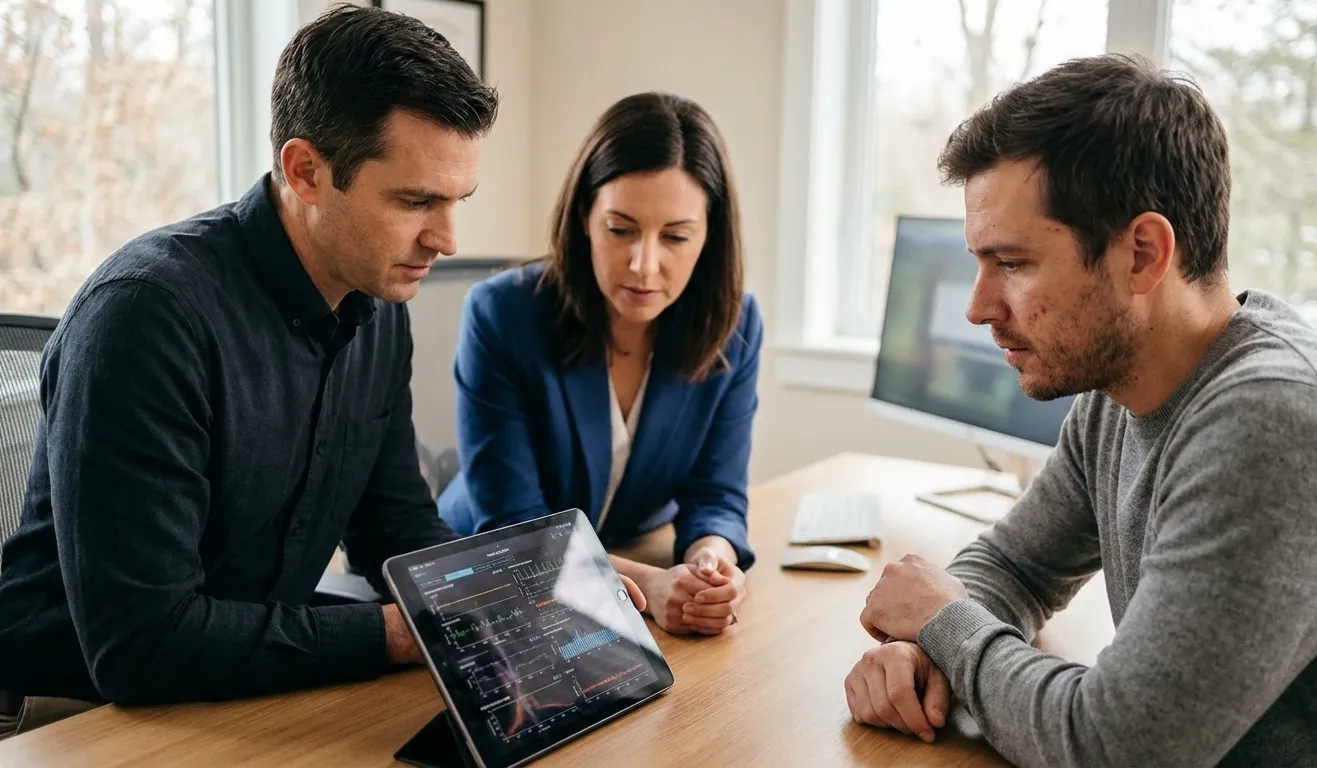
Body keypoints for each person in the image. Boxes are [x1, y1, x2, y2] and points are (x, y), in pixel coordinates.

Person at [0, 5, 612, 736]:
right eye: (416, 201)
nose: (447, 239)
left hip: (235, 685)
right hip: (71, 716)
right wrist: (402, 631)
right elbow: (142, 645)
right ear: (305, 171)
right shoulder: (145, 317)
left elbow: (395, 525)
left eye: (456, 202)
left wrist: (520, 588)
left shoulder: (379, 309)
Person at [846, 53, 1317, 767]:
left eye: (1013, 263)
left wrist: (943, 624)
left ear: (1143, 254)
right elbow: (1015, 565)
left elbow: (1116, 747)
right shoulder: (1120, 394)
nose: (977, 308)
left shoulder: (1279, 423)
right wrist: (923, 647)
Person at [436, 92, 761, 637]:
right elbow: (517, 527)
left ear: (710, 236)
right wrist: (645, 584)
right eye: (620, 229)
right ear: (585, 216)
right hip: (488, 583)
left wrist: (712, 559)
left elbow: (717, 495)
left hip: (617, 562)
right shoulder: (502, 314)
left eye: (676, 237)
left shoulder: (735, 324)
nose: (643, 264)